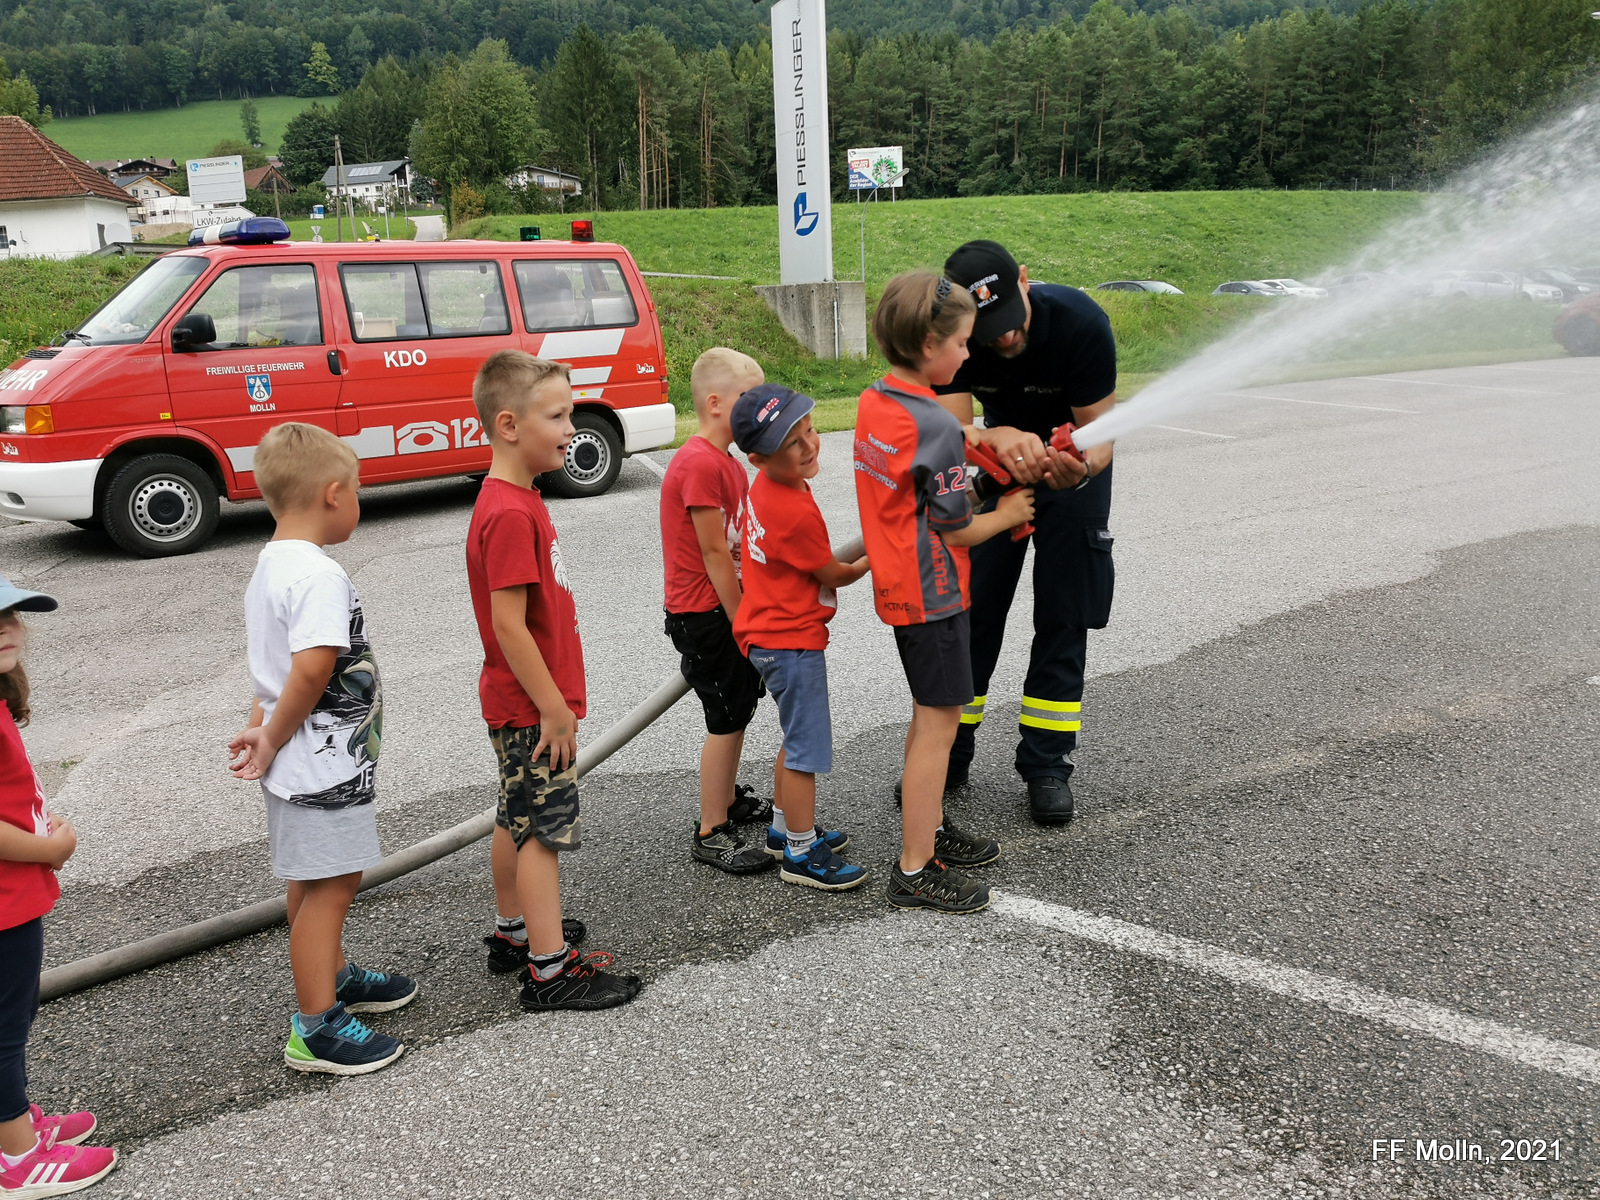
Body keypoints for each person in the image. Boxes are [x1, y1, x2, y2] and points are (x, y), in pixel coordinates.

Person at [229, 422, 417, 1076]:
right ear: (333, 494)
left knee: (310, 881)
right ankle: (317, 1026)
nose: (358, 501)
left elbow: (272, 670)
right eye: (357, 490)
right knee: (333, 884)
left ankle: (330, 975)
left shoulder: (270, 565)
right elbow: (310, 670)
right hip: (323, 766)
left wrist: (262, 731)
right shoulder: (318, 575)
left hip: (299, 762)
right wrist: (272, 735)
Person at [854, 271, 1036, 914]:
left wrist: (971, 443)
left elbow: (921, 472)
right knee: (940, 725)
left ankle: (927, 826)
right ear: (930, 345)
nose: (968, 353)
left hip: (900, 583)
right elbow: (957, 529)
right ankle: (915, 866)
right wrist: (1010, 513)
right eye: (961, 342)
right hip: (934, 592)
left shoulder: (877, 400)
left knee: (926, 713)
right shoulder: (933, 422)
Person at [466, 350, 641, 1012]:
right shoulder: (511, 512)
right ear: (509, 425)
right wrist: (554, 709)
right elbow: (509, 626)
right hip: (533, 710)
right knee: (543, 832)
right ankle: (549, 970)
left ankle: (515, 931)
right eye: (558, 415)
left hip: (519, 704)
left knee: (514, 816)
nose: (572, 428)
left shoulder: (516, 499)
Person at [937, 240, 1117, 826]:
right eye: (989, 332)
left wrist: (1079, 468)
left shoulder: (1082, 323)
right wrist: (998, 436)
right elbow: (953, 430)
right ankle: (948, 752)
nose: (1006, 337)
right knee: (974, 609)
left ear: (1023, 279)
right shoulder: (954, 334)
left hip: (1072, 471)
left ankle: (1047, 765)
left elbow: (1101, 437)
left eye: (1011, 321)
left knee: (1065, 613)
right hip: (996, 467)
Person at [0, 582, 120, 1196]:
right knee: (3, 1027)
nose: (5, 626)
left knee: (12, 1017)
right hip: (3, 902)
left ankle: (13, 1124)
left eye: (8, 613)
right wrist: (48, 849)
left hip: (14, 893)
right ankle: (17, 1160)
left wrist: (41, 826)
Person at [729, 384, 870, 891]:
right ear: (759, 458)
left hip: (767, 634)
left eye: (809, 429)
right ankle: (802, 852)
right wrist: (875, 556)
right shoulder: (792, 509)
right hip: (791, 642)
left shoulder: (767, 487)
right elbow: (833, 573)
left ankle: (782, 830)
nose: (810, 444)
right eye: (793, 442)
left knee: (793, 741)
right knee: (805, 751)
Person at [660, 347, 774, 874]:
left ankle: (728, 801)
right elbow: (713, 553)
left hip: (729, 608)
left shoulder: (728, 462)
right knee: (725, 717)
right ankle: (711, 829)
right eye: (750, 399)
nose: (760, 409)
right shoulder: (699, 463)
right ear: (714, 403)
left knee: (739, 707)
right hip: (707, 613)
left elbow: (740, 544)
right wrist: (743, 619)